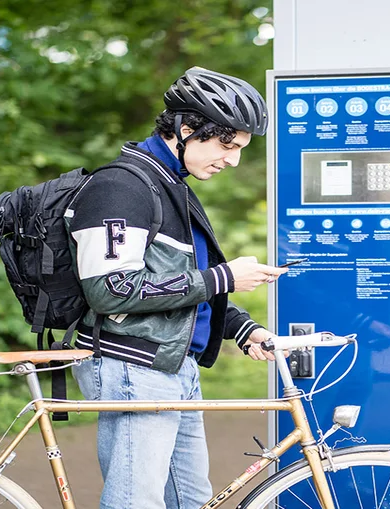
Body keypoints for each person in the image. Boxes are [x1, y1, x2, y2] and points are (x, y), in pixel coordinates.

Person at [64, 66, 287, 509]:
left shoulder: (171, 186)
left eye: (240, 147)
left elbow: (181, 279)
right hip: (133, 366)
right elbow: (110, 290)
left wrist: (241, 328)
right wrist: (226, 278)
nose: (233, 159)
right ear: (186, 128)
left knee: (192, 500)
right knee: (136, 502)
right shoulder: (120, 188)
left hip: (172, 365)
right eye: (227, 144)